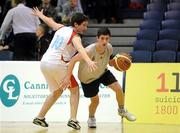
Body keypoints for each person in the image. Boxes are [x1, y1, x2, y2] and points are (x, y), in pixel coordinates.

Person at [32, 7, 97, 130]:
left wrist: (40, 15)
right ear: (76, 24)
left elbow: (50, 22)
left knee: (57, 91)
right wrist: (89, 61)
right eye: (83, 25)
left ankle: (40, 117)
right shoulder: (75, 36)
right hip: (57, 64)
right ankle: (73, 119)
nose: (85, 28)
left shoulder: (62, 28)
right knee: (75, 89)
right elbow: (81, 49)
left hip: (44, 63)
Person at [62, 27, 136, 128]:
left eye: (107, 38)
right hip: (87, 79)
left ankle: (121, 110)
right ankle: (91, 117)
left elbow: (109, 63)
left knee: (119, 89)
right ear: (97, 38)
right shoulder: (88, 51)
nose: (104, 41)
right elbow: (73, 60)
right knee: (95, 101)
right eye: (102, 38)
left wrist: (120, 62)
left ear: (109, 39)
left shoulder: (109, 47)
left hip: (102, 72)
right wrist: (67, 77)